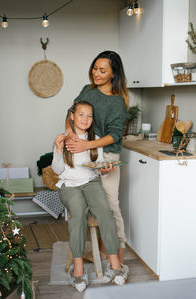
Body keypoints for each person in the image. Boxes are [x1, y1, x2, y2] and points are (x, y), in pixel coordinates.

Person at [52, 101, 129, 293]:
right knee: (77, 215)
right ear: (72, 116)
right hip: (69, 185)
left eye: (89, 116)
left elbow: (99, 167)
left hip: (91, 183)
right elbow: (57, 170)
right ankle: (78, 269)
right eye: (81, 115)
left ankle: (115, 265)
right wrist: (59, 150)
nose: (86, 119)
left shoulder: (96, 139)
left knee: (105, 212)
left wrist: (105, 169)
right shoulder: (63, 139)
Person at [65, 50, 129, 263]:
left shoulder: (117, 102)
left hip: (107, 157)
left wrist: (87, 143)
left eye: (103, 70)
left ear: (113, 74)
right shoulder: (87, 90)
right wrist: (72, 136)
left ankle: (116, 258)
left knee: (110, 206)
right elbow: (70, 113)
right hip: (85, 153)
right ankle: (89, 252)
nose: (96, 73)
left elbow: (115, 135)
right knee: (83, 205)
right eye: (95, 68)